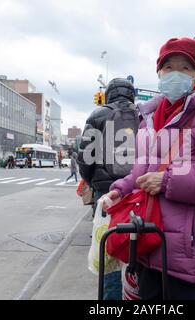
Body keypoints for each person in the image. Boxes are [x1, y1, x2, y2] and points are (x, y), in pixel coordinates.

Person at [103, 37, 195, 300]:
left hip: (189, 257)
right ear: (159, 72)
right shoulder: (150, 117)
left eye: (184, 68)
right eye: (168, 67)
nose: (175, 74)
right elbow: (142, 169)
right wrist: (121, 189)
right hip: (148, 245)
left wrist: (169, 181)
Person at [78, 77, 138, 300]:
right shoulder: (142, 115)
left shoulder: (97, 115)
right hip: (138, 192)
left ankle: (111, 302)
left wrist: (92, 181)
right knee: (138, 246)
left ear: (109, 94)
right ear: (131, 94)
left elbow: (85, 156)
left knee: (108, 252)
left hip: (107, 195)